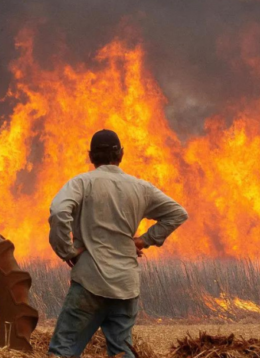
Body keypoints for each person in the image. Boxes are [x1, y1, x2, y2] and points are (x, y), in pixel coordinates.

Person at [47, 129, 189, 357]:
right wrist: (144, 240)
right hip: (126, 286)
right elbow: (178, 213)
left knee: (63, 350)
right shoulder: (141, 188)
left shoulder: (82, 183)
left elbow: (59, 211)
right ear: (121, 154)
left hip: (89, 282)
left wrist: (68, 251)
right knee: (122, 352)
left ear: (91, 156)